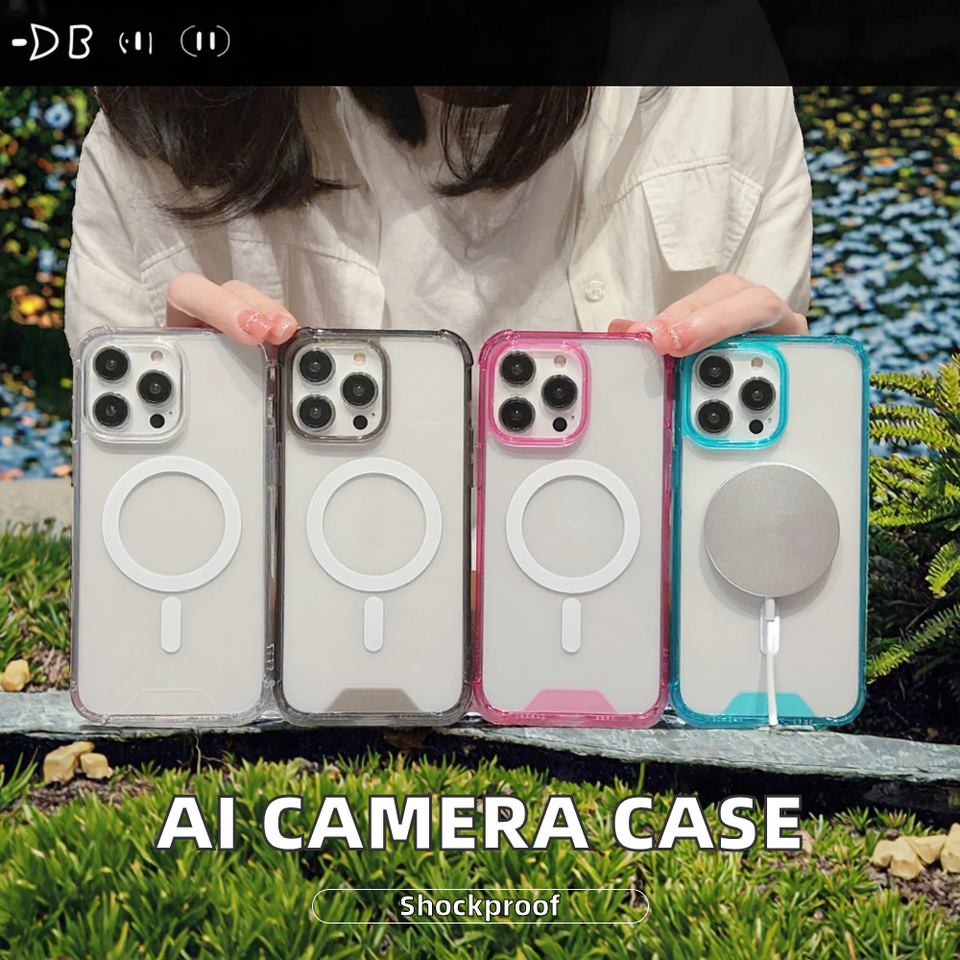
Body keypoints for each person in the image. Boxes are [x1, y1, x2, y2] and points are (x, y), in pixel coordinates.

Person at [64, 85, 811, 362]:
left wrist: (788, 432)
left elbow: (755, 565)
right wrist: (185, 474)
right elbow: (140, 570)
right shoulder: (168, 122)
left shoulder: (713, 74)